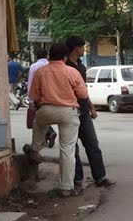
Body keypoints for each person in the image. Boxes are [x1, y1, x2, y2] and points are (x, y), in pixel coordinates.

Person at [25, 44, 91, 197]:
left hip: (47, 109)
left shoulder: (41, 72)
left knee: (38, 123)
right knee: (67, 150)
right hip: (68, 112)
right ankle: (66, 188)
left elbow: (34, 96)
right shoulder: (71, 71)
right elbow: (82, 94)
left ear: (50, 56)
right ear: (65, 57)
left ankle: (35, 149)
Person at [66, 36, 114, 189]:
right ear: (76, 48)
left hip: (84, 111)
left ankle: (100, 176)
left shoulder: (80, 66)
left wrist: (91, 107)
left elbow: (83, 90)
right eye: (82, 47)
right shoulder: (65, 67)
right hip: (70, 111)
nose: (84, 49)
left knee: (92, 144)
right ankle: (77, 179)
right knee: (73, 147)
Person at [27, 47, 56, 148]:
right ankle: (45, 138)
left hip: (39, 96)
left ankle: (47, 134)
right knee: (46, 115)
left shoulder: (34, 66)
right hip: (52, 95)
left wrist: (30, 98)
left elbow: (30, 82)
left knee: (39, 118)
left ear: (37, 56)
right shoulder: (51, 65)